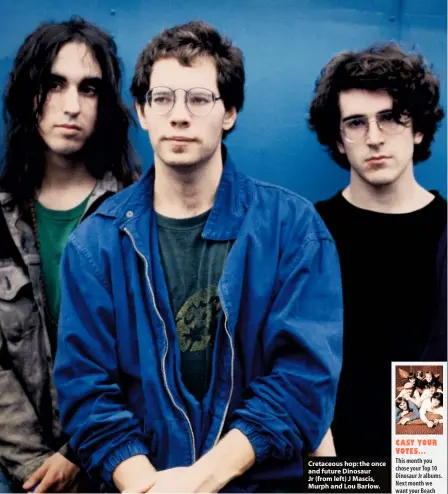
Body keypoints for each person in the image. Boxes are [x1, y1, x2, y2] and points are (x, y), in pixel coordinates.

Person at [53, 20, 343, 492]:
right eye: (162, 98)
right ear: (143, 113)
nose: (179, 115)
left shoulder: (294, 230)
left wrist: (200, 481)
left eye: (199, 99)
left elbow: (302, 383)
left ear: (229, 112)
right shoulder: (97, 244)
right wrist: (147, 486)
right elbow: (87, 393)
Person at [0, 17, 138, 493]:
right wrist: (37, 467)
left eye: (90, 89)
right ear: (28, 94)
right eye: (54, 84)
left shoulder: (137, 214)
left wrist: (82, 451)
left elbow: (153, 354)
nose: (72, 106)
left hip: (127, 467)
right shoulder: (2, 219)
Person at [309, 43, 446, 457]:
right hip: (328, 461)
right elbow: (292, 361)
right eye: (355, 123)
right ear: (338, 139)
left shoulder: (445, 231)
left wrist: (413, 476)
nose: (373, 138)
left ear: (418, 128)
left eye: (389, 118)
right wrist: (333, 475)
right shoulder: (309, 231)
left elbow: (431, 365)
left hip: (423, 468)